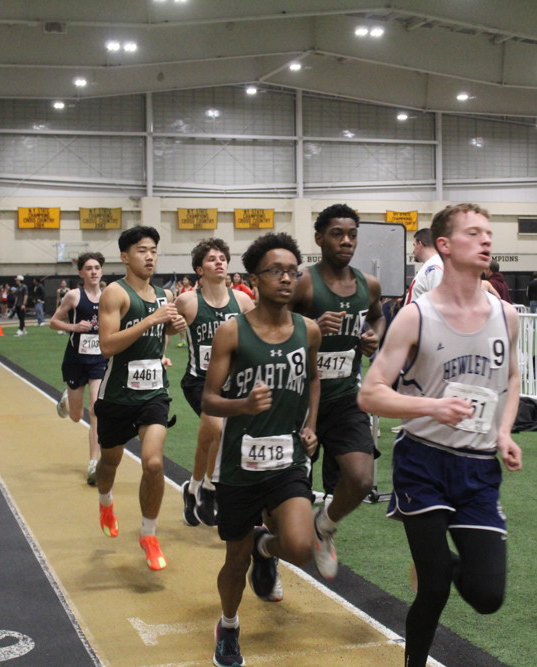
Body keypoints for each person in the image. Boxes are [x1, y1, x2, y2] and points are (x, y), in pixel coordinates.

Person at [358, 203, 522, 667]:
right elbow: (370, 394)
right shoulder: (416, 317)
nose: (486, 240)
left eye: (488, 232)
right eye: (474, 233)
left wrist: (504, 431)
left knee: (487, 596)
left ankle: (440, 562)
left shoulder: (507, 315)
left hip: (479, 467)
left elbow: (513, 378)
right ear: (444, 246)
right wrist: (433, 407)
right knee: (432, 589)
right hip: (423, 460)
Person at [201, 232, 321, 667]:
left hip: (288, 458)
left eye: (293, 271)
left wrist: (311, 426)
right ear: (255, 278)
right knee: (234, 561)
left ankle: (265, 549)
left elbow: (313, 379)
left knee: (302, 546)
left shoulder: (308, 330)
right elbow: (208, 400)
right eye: (276, 271)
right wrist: (243, 405)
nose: (287, 279)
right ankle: (229, 625)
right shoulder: (232, 331)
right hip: (239, 465)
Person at [290, 203, 385, 580]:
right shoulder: (303, 282)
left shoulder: (368, 284)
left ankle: (324, 526)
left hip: (346, 397)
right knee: (286, 495)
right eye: (337, 234)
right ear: (319, 239)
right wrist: (311, 326)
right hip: (298, 399)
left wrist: (374, 335)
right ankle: (268, 553)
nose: (346, 241)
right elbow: (272, 325)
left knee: (361, 480)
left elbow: (377, 316)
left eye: (352, 235)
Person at [94, 226, 186, 571]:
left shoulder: (164, 294)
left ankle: (148, 535)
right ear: (125, 256)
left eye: (154, 250)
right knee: (109, 463)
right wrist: (151, 320)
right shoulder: (114, 293)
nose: (149, 256)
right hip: (118, 395)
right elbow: (107, 346)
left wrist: (173, 324)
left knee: (153, 463)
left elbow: (164, 330)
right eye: (142, 250)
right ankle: (105, 500)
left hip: (154, 393)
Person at [176, 239, 255, 529]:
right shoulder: (187, 301)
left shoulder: (243, 301)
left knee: (210, 437)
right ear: (200, 269)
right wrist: (160, 354)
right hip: (200, 380)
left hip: (233, 383)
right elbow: (165, 328)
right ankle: (210, 489)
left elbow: (255, 336)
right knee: (216, 429)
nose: (219, 262)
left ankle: (193, 488)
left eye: (222, 258)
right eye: (211, 259)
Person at [51, 252, 107, 486]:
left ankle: (93, 463)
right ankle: (67, 401)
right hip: (76, 360)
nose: (94, 272)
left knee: (95, 409)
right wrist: (74, 327)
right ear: (81, 273)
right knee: (76, 416)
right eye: (89, 268)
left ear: (101, 271)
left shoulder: (109, 297)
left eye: (97, 268)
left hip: (99, 361)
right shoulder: (74, 296)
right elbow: (54, 322)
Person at [406, 228, 441, 305]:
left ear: (420, 244)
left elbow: (439, 303)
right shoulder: (430, 266)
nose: (413, 251)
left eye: (414, 245)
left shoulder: (434, 268)